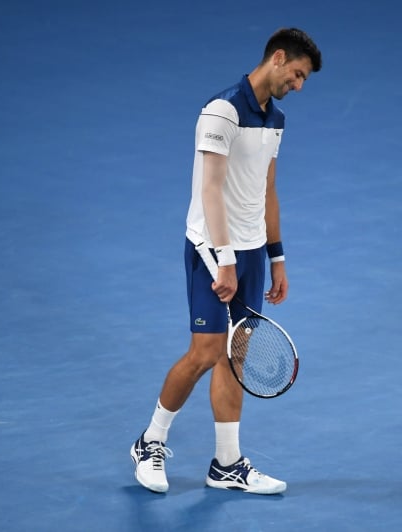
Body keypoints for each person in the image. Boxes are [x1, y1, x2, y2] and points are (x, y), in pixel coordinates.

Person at [130, 28, 322, 495]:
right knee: (206, 352)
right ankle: (149, 441)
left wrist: (276, 257)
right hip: (211, 251)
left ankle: (227, 464)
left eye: (303, 80)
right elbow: (210, 190)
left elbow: (267, 190)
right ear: (278, 58)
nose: (298, 86)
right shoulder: (222, 111)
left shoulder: (276, 119)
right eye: (297, 74)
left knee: (236, 356)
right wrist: (225, 260)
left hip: (252, 253)